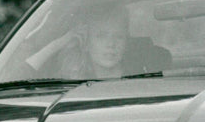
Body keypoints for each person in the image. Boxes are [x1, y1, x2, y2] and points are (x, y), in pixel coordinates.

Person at [26, 10, 171, 79]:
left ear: (126, 43)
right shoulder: (69, 82)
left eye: (118, 37)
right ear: (86, 43)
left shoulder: (143, 76)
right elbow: (18, 77)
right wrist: (60, 42)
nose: (111, 44)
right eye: (101, 36)